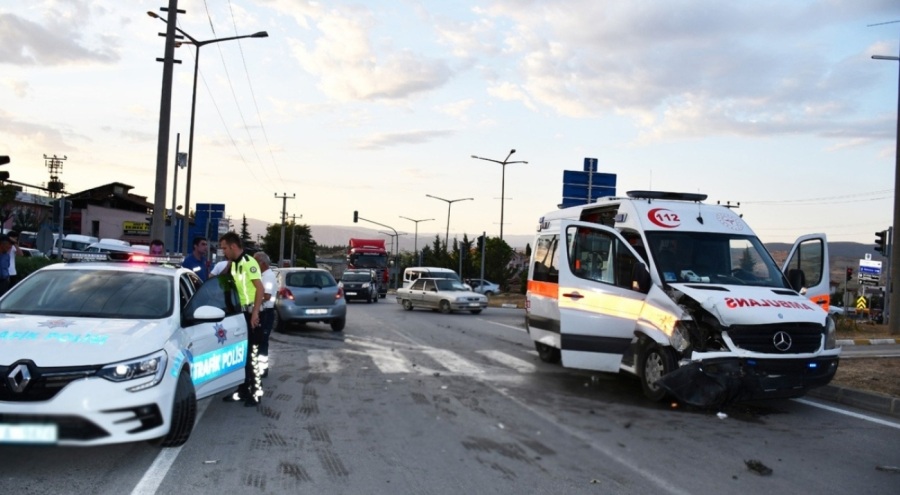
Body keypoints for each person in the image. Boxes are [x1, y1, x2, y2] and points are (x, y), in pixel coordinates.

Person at [219, 232, 265, 407]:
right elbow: (225, 282)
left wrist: (255, 314)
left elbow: (259, 289)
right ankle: (243, 390)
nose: (223, 252)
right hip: (241, 315)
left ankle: (256, 392)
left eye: (224, 248)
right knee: (243, 355)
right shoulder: (235, 264)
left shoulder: (248, 263)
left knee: (252, 355)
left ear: (233, 246)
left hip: (252, 313)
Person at [253, 251, 276, 378]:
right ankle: (260, 367)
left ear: (262, 263)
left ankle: (262, 369)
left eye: (256, 262)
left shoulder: (268, 276)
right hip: (264, 312)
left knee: (262, 342)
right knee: (259, 341)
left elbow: (266, 296)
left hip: (266, 312)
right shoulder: (264, 275)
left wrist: (253, 301)